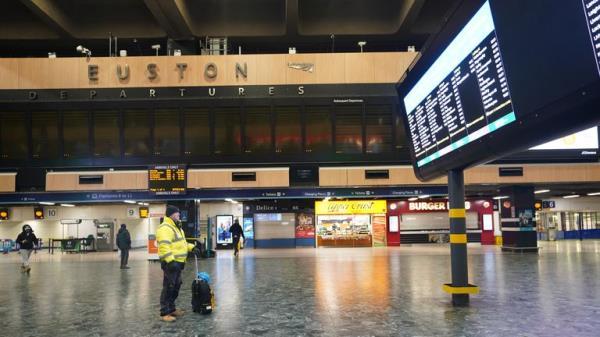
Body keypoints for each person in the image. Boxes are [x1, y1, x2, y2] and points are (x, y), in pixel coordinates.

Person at [157, 205, 200, 322]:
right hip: (171, 263)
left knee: (176, 286)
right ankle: (164, 312)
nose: (179, 215)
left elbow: (182, 243)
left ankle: (171, 309)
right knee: (169, 287)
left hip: (178, 263)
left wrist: (192, 248)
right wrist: (170, 261)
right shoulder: (165, 228)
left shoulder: (177, 227)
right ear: (171, 214)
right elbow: (164, 246)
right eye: (177, 213)